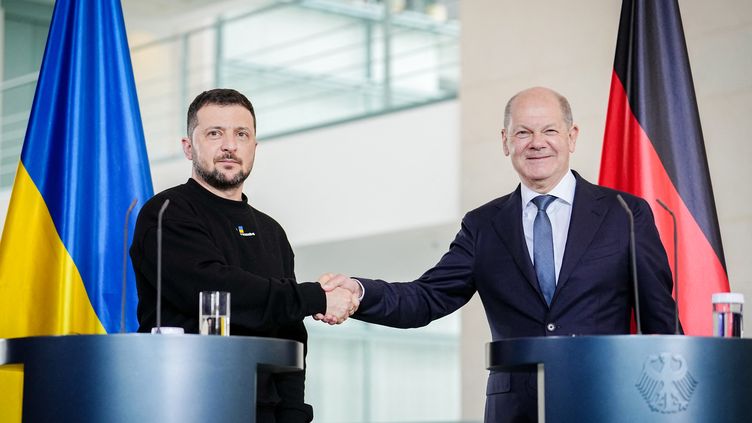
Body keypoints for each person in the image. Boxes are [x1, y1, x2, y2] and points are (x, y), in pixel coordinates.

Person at [317, 86, 679, 422]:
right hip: (515, 409)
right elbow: (427, 298)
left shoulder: (624, 213)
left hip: (606, 401)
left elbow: (659, 317)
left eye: (549, 131)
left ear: (572, 137)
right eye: (523, 132)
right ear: (505, 142)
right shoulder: (483, 225)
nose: (537, 143)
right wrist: (359, 292)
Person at [130, 88, 358, 423]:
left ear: (254, 146)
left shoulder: (272, 231)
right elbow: (215, 290)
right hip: (181, 406)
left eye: (241, 134)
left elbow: (290, 331)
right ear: (188, 147)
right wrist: (316, 297)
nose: (229, 146)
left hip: (266, 412)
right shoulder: (166, 213)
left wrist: (294, 412)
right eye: (214, 133)